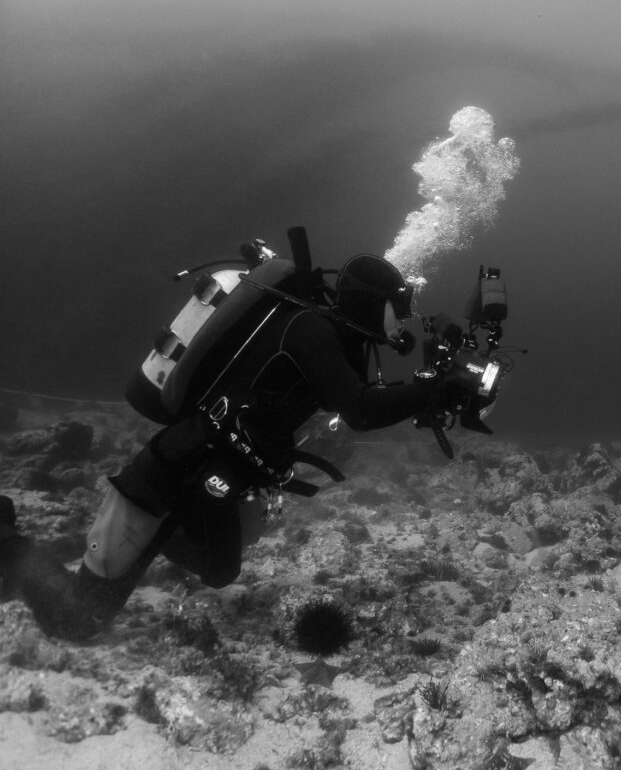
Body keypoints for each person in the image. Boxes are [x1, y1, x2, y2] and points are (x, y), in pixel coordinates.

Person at [0, 253, 456, 641]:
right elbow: (360, 409)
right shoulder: (310, 330)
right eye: (401, 305)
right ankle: (8, 541)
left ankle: (138, 546)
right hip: (170, 473)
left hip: (212, 477)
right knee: (79, 620)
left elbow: (361, 404)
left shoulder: (335, 340)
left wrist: (434, 388)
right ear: (374, 302)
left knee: (220, 572)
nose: (407, 317)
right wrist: (436, 389)